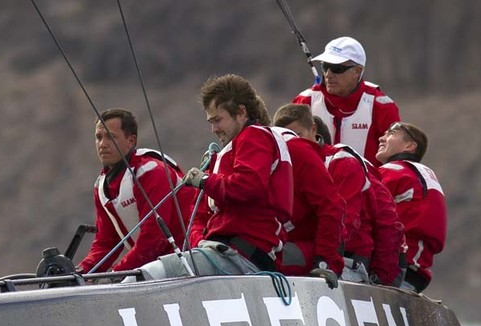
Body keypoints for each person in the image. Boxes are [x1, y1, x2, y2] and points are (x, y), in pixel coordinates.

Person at [181, 74, 293, 274]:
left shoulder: (254, 136)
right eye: (210, 122)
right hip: (224, 253)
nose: (214, 129)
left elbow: (247, 186)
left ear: (241, 112)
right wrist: (200, 243)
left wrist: (204, 179)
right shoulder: (226, 154)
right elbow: (198, 217)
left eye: (217, 120)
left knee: (155, 275)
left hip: (242, 255)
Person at [78, 108, 197, 274]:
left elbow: (155, 239)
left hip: (191, 261)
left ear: (131, 141)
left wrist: (117, 273)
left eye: (111, 137)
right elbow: (106, 243)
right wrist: (80, 272)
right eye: (98, 137)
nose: (102, 144)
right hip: (157, 267)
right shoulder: (102, 186)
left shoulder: (151, 172)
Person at [292, 36, 400, 167]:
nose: (328, 74)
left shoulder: (381, 106)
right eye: (325, 67)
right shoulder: (305, 101)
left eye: (337, 69)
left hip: (366, 186)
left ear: (357, 71)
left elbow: (395, 160)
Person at [269, 105, 344, 287]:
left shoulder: (341, 162)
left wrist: (324, 261)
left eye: (297, 134)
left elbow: (335, 210)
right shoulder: (272, 157)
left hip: (324, 250)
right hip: (283, 242)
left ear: (313, 129)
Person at [375, 121, 446, 292]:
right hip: (416, 272)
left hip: (396, 268)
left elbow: (354, 209)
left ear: (409, 146)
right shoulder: (422, 173)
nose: (381, 138)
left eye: (391, 134)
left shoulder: (394, 171)